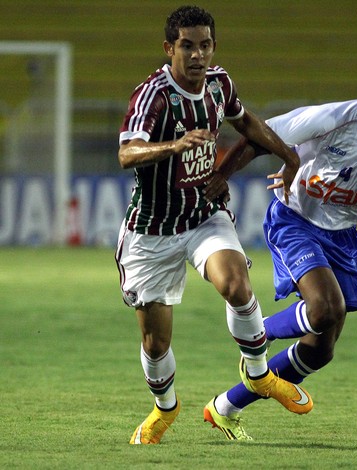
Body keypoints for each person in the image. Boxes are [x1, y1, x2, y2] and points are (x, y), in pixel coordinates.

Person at [201, 61, 357, 440]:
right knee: (326, 308)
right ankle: (257, 338)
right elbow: (260, 135)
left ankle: (225, 406)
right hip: (295, 220)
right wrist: (220, 178)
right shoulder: (334, 118)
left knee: (320, 350)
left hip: (343, 235)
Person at [115, 5, 313, 445]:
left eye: (205, 45)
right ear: (170, 49)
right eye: (187, 46)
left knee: (237, 284)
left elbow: (247, 123)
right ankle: (165, 408)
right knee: (155, 343)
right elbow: (127, 154)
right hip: (151, 231)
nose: (197, 55)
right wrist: (175, 145)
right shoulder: (153, 96)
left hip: (204, 214)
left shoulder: (220, 84)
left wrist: (289, 154)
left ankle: (259, 375)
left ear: (214, 47)